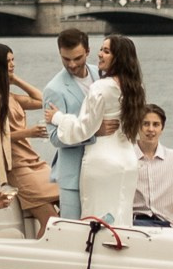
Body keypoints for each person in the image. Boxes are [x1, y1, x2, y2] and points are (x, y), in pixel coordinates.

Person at [46, 34, 147, 226]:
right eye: (101, 49)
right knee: (121, 220)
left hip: (102, 163)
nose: (100, 54)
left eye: (106, 51)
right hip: (128, 162)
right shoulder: (135, 87)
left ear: (119, 57)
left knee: (95, 222)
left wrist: (58, 118)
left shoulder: (100, 87)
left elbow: (83, 129)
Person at [0, 42, 56, 232]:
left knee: (68, 203)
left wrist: (15, 80)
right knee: (51, 220)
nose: (12, 64)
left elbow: (42, 100)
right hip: (18, 166)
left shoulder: (8, 95)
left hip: (34, 162)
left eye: (13, 60)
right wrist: (29, 133)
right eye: (7, 61)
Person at [40, 28, 93, 218]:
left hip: (101, 171)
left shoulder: (101, 74)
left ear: (88, 51)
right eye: (66, 59)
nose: (71, 64)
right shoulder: (54, 89)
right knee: (73, 231)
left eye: (77, 58)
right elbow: (55, 138)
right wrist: (95, 134)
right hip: (72, 174)